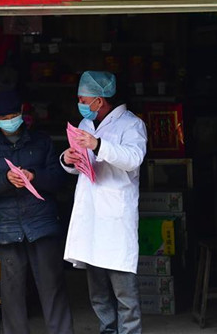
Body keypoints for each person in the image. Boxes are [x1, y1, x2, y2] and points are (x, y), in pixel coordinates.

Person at [0, 90, 74, 334]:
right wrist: (5, 179)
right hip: (7, 229)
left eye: (13, 116)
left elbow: (59, 179)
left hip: (42, 224)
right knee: (12, 293)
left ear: (21, 113)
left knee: (52, 287)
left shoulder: (42, 142)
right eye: (3, 118)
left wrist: (34, 176)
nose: (10, 121)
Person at [61, 71, 148, 334]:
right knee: (98, 293)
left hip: (115, 218)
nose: (80, 103)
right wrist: (68, 159)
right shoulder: (85, 124)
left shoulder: (131, 124)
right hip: (91, 216)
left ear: (99, 100)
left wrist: (98, 145)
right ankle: (107, 331)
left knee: (125, 295)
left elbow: (133, 158)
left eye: (83, 98)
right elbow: (83, 163)